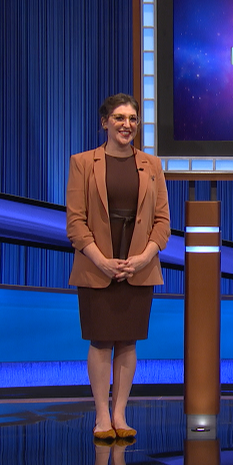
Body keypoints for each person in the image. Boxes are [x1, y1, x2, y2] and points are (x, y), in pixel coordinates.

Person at [66, 93, 170, 442]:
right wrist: (102, 261)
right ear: (105, 122)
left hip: (137, 264)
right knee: (100, 341)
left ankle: (120, 414)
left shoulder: (152, 165)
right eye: (120, 118)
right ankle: (100, 416)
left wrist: (143, 258)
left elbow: (162, 222)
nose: (127, 125)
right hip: (98, 264)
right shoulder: (82, 163)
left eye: (133, 119)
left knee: (127, 341)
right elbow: (76, 223)